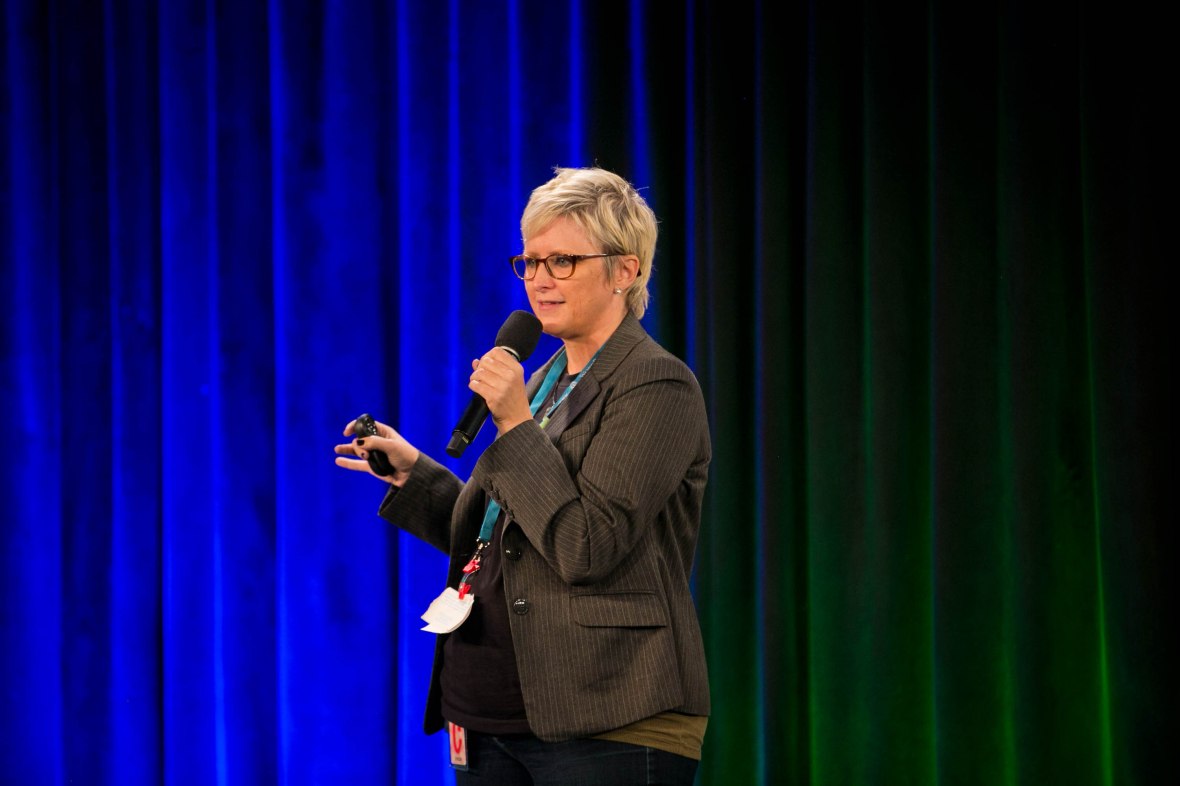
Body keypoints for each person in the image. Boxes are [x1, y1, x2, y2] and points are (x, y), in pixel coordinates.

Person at [334, 167, 711, 785]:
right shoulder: (544, 384)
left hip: (606, 716)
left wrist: (513, 421)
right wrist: (417, 477)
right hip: (488, 715)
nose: (539, 279)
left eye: (562, 261)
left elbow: (586, 545)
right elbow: (513, 537)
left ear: (626, 270)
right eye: (530, 261)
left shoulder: (655, 384)